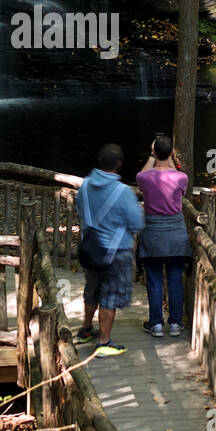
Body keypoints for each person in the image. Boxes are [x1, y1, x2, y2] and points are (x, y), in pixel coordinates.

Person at [75, 142, 144, 356]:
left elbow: (81, 210)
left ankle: (86, 329)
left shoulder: (85, 186)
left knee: (92, 289)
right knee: (110, 296)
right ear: (119, 164)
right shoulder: (122, 191)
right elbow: (137, 223)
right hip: (116, 252)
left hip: (90, 248)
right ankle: (104, 342)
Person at [136, 134, 192, 337]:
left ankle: (156, 323)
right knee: (176, 278)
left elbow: (141, 177)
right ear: (171, 153)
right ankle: (175, 323)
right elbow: (177, 180)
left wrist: (152, 156)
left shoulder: (145, 177)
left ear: (153, 152)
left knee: (154, 279)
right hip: (176, 234)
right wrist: (168, 155)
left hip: (153, 233)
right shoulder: (181, 177)